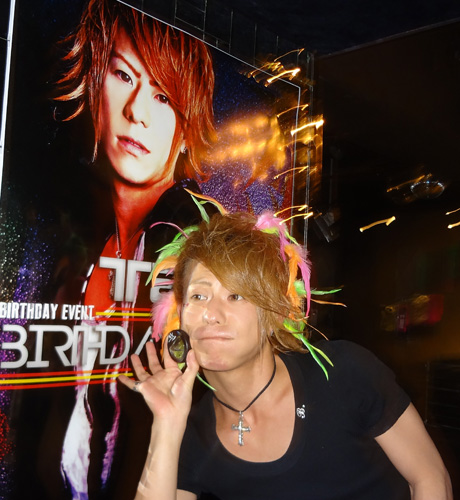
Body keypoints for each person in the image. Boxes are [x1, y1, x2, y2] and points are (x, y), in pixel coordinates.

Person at [120, 211, 453, 500]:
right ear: (180, 312)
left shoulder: (343, 372)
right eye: (199, 296)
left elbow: (429, 478)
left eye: (236, 296)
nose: (212, 315)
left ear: (273, 313)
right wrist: (166, 425)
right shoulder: (192, 431)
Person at [53, 0, 216, 497]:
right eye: (123, 76)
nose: (136, 112)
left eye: (163, 96)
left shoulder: (196, 247)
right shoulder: (82, 245)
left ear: (187, 130)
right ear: (94, 85)